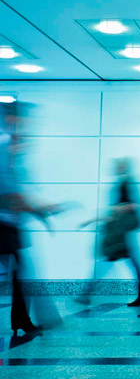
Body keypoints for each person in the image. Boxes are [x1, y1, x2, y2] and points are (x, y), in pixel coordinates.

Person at [0, 101, 62, 336]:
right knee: (23, 269)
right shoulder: (4, 150)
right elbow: (11, 195)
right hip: (3, 223)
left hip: (10, 223)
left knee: (22, 270)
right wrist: (42, 211)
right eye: (24, 119)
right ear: (12, 119)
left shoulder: (14, 152)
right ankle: (28, 319)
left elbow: (18, 194)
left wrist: (42, 211)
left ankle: (23, 320)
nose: (28, 125)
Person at [78, 158, 140, 307]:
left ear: (123, 167)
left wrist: (117, 209)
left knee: (110, 261)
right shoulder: (123, 183)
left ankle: (86, 294)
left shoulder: (126, 183)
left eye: (118, 166)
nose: (115, 168)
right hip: (119, 232)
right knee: (126, 262)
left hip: (121, 233)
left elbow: (134, 205)